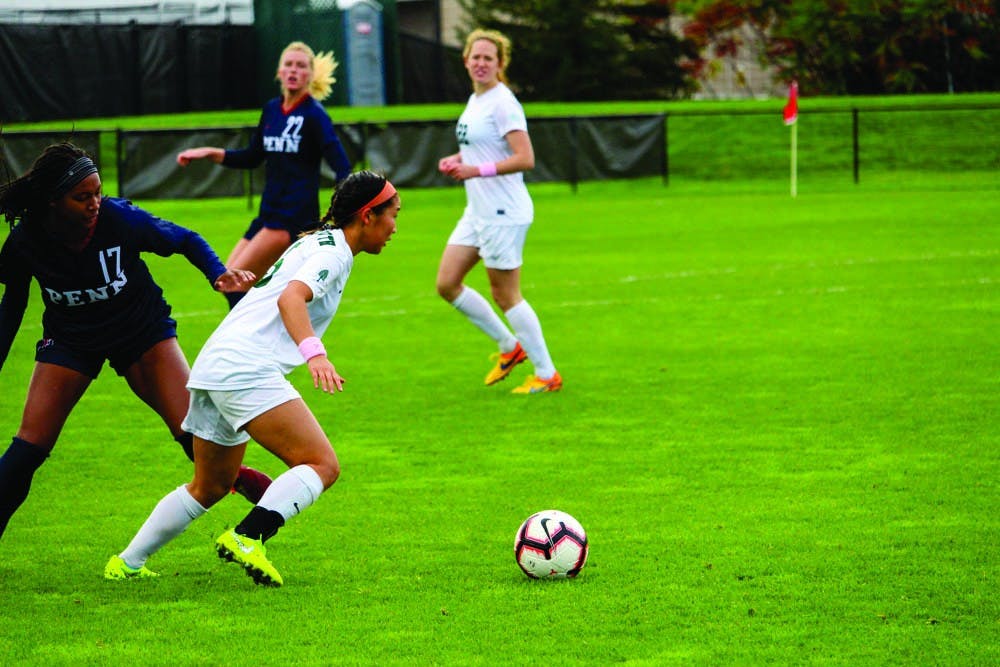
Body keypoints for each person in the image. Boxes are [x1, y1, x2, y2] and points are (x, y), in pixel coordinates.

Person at [105, 170, 400, 587]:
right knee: (321, 463)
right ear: (368, 215)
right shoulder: (334, 254)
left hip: (216, 362)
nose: (395, 228)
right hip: (245, 365)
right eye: (392, 216)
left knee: (209, 485)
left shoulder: (318, 241)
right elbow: (290, 297)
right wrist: (315, 354)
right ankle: (248, 537)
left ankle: (127, 562)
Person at [0, 142, 273, 542]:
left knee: (192, 436)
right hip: (71, 339)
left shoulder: (118, 219)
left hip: (140, 330)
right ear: (53, 202)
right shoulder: (27, 241)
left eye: (97, 192)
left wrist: (217, 274)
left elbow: (185, 239)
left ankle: (238, 478)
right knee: (29, 448)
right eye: (82, 197)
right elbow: (12, 307)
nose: (95, 203)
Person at [176, 40, 353, 308]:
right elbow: (252, 156)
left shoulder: (314, 115)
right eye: (288, 64)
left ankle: (252, 343)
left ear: (310, 74)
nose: (294, 70)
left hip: (292, 217)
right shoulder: (272, 109)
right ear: (279, 72)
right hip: (268, 213)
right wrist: (210, 152)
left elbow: (341, 166)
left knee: (232, 282)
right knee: (231, 282)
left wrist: (341, 210)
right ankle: (272, 337)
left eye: (301, 66)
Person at [436, 28, 562, 394]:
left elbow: (525, 158)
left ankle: (546, 373)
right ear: (466, 60)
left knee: (506, 294)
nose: (480, 63)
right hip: (478, 210)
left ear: (500, 64)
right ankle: (510, 348)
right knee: (447, 283)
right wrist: (458, 159)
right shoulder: (476, 100)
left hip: (503, 211)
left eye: (488, 58)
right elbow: (484, 147)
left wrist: (474, 170)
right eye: (475, 57)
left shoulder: (503, 102)